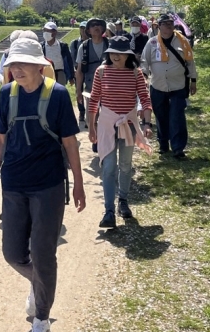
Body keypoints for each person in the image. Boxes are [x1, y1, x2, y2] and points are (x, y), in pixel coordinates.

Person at [0, 37, 86, 332]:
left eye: (22, 63)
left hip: (48, 186)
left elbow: (70, 143)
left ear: (39, 65)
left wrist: (79, 183)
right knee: (12, 253)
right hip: (14, 183)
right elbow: (0, 140)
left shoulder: (56, 95)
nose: (16, 69)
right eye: (12, 64)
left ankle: (41, 322)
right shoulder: (6, 95)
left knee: (43, 255)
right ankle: (40, 283)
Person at [87, 37, 153, 229]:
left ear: (128, 55)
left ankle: (122, 201)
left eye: (121, 53)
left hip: (128, 125)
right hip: (106, 125)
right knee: (108, 168)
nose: (116, 56)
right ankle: (108, 211)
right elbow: (93, 101)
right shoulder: (101, 72)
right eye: (113, 53)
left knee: (125, 165)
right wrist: (92, 127)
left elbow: (145, 99)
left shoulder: (135, 74)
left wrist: (147, 123)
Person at [141, 12, 197, 159]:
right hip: (158, 86)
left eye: (170, 23)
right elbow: (144, 62)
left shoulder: (182, 41)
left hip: (178, 86)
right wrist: (144, 77)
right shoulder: (152, 43)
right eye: (165, 23)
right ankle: (163, 144)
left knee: (177, 117)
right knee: (161, 116)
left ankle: (178, 148)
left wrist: (193, 81)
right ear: (158, 26)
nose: (168, 26)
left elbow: (190, 61)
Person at [75, 19, 109, 150]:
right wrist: (78, 91)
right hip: (90, 87)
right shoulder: (83, 47)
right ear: (88, 30)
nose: (96, 27)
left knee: (107, 115)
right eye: (93, 26)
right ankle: (96, 139)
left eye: (99, 25)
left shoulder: (110, 44)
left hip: (109, 87)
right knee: (92, 116)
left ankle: (105, 140)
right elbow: (79, 72)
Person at [41, 22, 74, 87]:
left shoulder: (63, 46)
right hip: (46, 73)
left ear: (55, 32)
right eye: (45, 30)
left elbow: (69, 61)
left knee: (59, 91)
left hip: (60, 73)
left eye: (48, 31)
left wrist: (71, 77)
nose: (46, 32)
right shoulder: (41, 46)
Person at [69, 22, 88, 125]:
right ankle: (82, 111)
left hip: (90, 71)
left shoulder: (91, 42)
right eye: (81, 28)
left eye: (85, 28)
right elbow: (72, 57)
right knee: (79, 91)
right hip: (78, 70)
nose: (83, 30)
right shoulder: (75, 43)